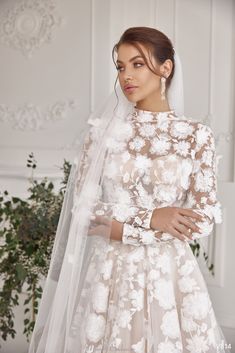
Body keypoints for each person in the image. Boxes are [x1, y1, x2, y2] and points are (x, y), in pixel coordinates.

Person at [28, 27, 231, 353]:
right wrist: (152, 218)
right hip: (109, 276)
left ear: (166, 68)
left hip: (170, 277)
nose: (126, 76)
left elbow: (202, 219)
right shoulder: (102, 133)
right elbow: (84, 208)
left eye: (137, 64)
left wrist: (125, 231)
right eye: (121, 67)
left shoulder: (196, 136)